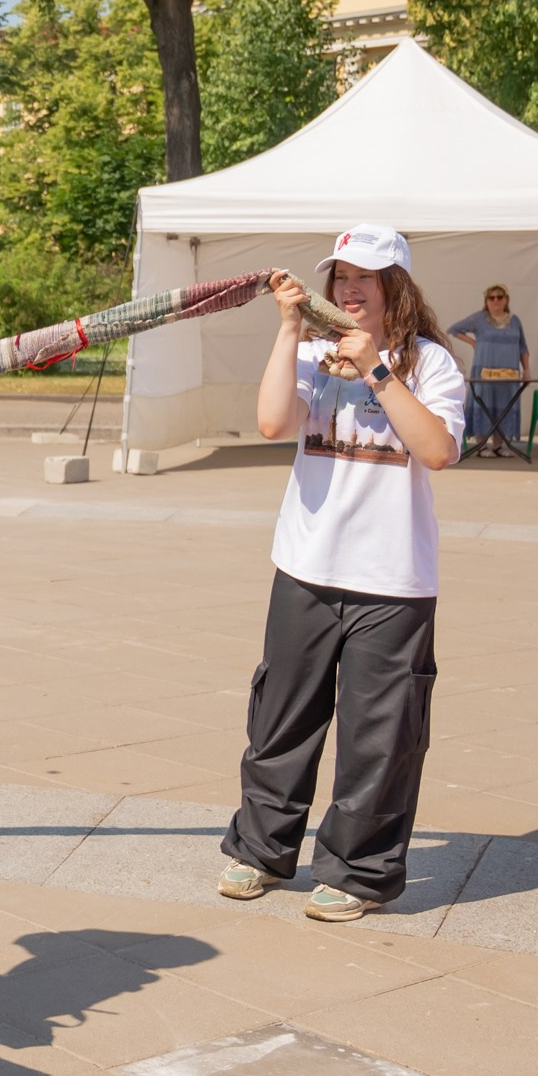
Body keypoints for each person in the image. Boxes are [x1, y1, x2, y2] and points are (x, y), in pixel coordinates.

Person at [218, 223, 466, 922]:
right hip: (306, 564)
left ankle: (356, 870)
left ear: (397, 286)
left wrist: (380, 372)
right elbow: (272, 421)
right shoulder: (314, 354)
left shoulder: (431, 365)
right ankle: (261, 851)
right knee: (281, 716)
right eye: (341, 277)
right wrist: (290, 331)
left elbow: (438, 450)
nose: (349, 289)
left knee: (379, 735)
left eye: (366, 276)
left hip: (393, 581)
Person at [447, 285, 528, 457]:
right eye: (492, 298)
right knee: (483, 404)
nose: (496, 300)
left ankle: (499, 445)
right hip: (484, 370)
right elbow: (454, 329)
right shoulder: (480, 319)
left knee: (505, 405)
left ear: (506, 299)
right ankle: (482, 445)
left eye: (500, 297)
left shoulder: (515, 321)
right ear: (486, 301)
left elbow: (523, 347)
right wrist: (472, 342)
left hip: (509, 373)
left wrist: (526, 369)